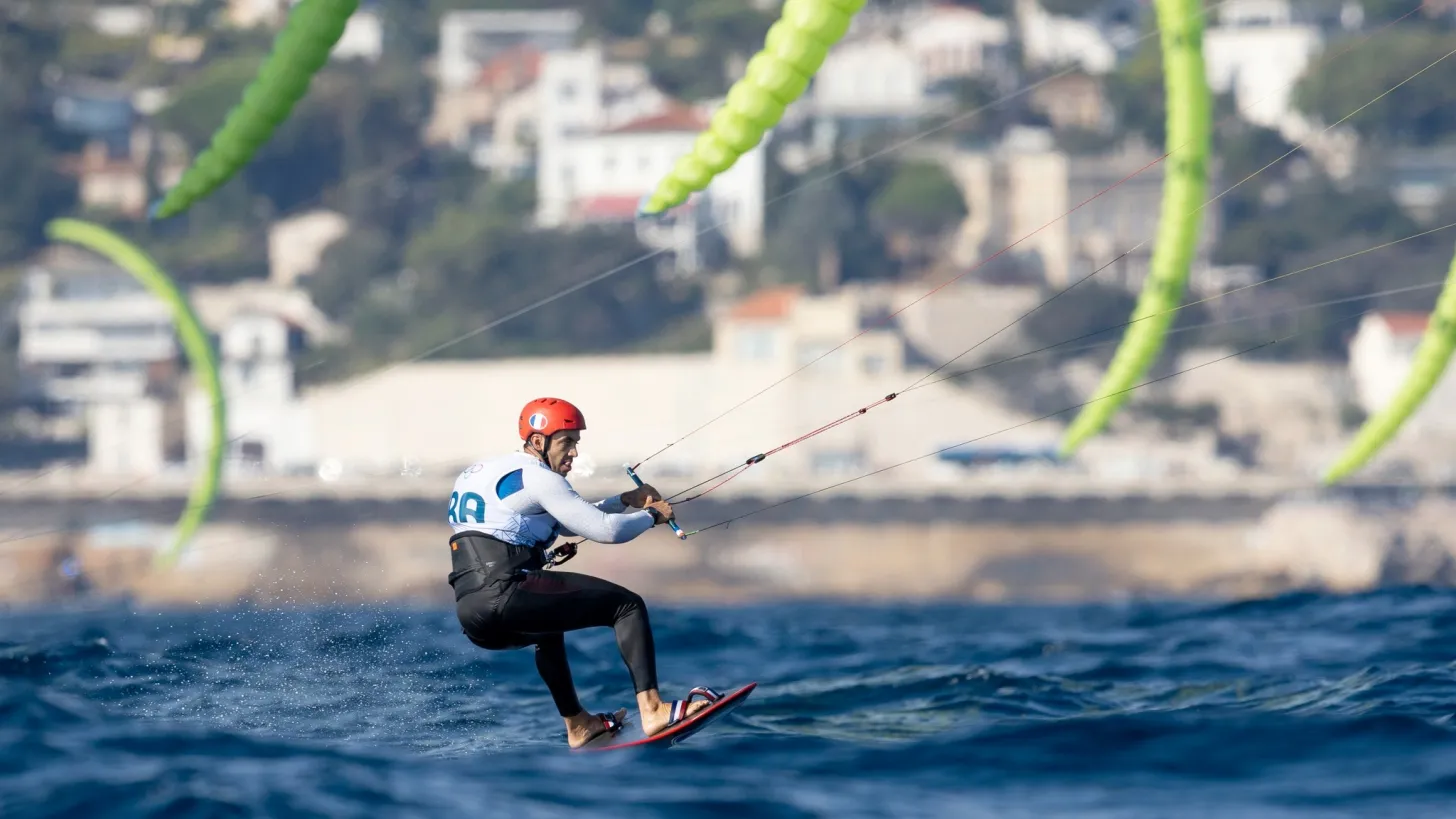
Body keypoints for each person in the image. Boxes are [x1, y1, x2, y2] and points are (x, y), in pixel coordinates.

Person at [446, 397, 715, 748]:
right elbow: (606, 531)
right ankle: (653, 711)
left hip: (472, 612)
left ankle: (579, 725)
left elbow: (569, 518)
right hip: (506, 590)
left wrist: (624, 500)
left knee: (547, 630)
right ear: (538, 442)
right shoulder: (539, 478)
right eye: (566, 442)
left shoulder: (487, 472)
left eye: (575, 443)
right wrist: (652, 516)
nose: (573, 453)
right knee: (627, 606)